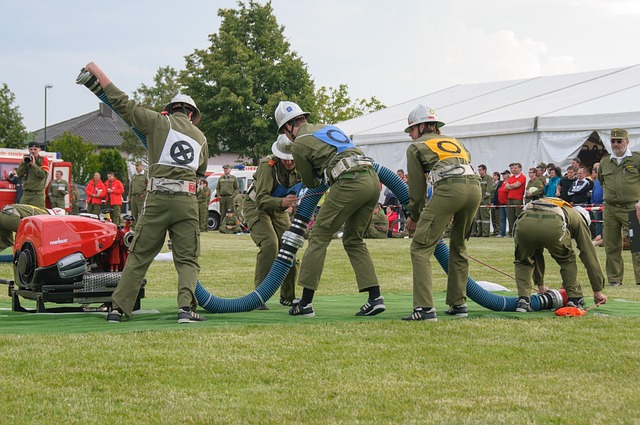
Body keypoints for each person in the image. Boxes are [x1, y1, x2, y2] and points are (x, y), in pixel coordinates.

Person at [83, 62, 209, 324]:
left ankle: (118, 309)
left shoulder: (157, 122)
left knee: (140, 255)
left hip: (157, 200)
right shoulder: (200, 138)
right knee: (187, 260)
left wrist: (100, 77)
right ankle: (186, 309)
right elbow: (200, 173)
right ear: (191, 114)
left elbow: (124, 105)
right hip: (186, 203)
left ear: (171, 109)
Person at [274, 100, 384, 318]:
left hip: (349, 181)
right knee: (353, 239)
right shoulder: (328, 127)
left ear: (288, 127)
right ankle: (375, 297)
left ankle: (305, 303)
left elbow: (311, 182)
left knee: (318, 237)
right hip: (371, 179)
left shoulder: (299, 143)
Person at [401, 104, 481, 322]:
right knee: (459, 246)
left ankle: (424, 309)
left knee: (420, 248)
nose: (410, 136)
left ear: (420, 127)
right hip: (474, 188)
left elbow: (416, 191)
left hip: (450, 189)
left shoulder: (416, 146)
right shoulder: (456, 142)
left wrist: (415, 217)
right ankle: (459, 303)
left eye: (411, 131)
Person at [513, 198, 607, 311]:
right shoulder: (579, 219)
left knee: (523, 261)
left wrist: (541, 286)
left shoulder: (557, 203)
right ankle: (574, 299)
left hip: (525, 221)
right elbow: (589, 254)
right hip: (553, 223)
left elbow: (536, 253)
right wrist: (597, 291)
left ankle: (523, 301)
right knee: (567, 260)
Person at [243, 134, 303, 308]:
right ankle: (259, 296)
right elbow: (261, 199)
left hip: (279, 210)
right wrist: (282, 202)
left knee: (290, 247)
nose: (289, 163)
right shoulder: (267, 166)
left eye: (292, 159)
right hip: (257, 206)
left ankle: (288, 296)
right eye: (285, 159)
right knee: (270, 244)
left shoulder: (302, 166)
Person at [598, 128, 640, 287]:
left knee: (638, 245)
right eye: (613, 141)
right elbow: (602, 181)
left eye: (619, 141)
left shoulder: (636, 160)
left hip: (633, 207)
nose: (615, 144)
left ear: (627, 141)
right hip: (610, 209)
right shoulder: (604, 162)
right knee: (611, 245)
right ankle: (614, 280)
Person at [0, 204, 64, 250]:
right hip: (11, 216)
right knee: (26, 234)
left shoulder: (38, 210)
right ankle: (20, 255)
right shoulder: (45, 216)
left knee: (6, 243)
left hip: (3, 214)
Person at [16, 141, 50, 209]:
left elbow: (43, 174)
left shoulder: (43, 160)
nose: (33, 151)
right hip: (26, 193)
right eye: (31, 149)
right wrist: (23, 163)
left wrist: (34, 165)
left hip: (38, 194)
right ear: (28, 150)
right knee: (22, 212)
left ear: (39, 150)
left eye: (35, 149)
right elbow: (19, 173)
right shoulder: (26, 159)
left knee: (39, 213)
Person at [504, 162, 526, 237]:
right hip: (510, 198)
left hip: (517, 199)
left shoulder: (522, 177)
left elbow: (517, 185)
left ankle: (518, 232)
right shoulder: (512, 177)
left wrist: (511, 186)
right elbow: (506, 186)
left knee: (517, 216)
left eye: (516, 168)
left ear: (520, 168)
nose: (514, 169)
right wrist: (512, 186)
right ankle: (511, 232)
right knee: (510, 217)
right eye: (514, 168)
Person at [474, 164, 492, 237]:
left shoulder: (489, 178)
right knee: (478, 218)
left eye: (480, 170)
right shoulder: (479, 178)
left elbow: (489, 190)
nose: (479, 171)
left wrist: (483, 198)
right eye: (478, 170)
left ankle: (485, 233)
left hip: (485, 201)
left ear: (485, 170)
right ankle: (480, 232)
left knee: (485, 218)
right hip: (478, 201)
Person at [590, 163, 603, 239]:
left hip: (603, 204)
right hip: (596, 205)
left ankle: (603, 236)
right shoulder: (596, 181)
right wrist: (592, 201)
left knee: (604, 222)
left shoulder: (604, 181)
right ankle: (598, 236)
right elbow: (594, 191)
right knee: (598, 221)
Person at [496, 170, 510, 237]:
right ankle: (502, 232)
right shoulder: (501, 183)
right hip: (501, 203)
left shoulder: (510, 182)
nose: (503, 176)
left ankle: (510, 232)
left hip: (507, 203)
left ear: (508, 175)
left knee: (509, 218)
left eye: (504, 174)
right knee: (502, 219)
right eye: (503, 175)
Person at [490, 171, 501, 236]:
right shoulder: (492, 183)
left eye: (494, 175)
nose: (493, 177)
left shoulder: (499, 183)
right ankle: (495, 230)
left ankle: (498, 230)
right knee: (493, 217)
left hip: (497, 202)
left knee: (497, 217)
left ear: (497, 176)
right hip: (492, 202)